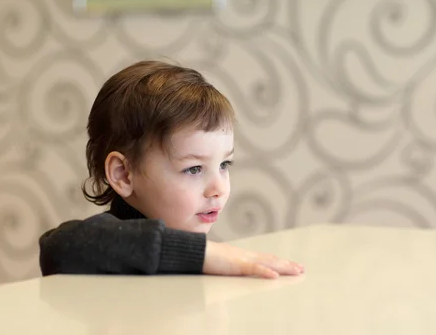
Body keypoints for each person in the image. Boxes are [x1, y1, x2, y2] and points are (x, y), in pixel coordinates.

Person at [38, 60, 304, 279]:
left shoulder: (184, 236)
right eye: (194, 169)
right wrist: (204, 255)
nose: (218, 188)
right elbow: (58, 247)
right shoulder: (103, 240)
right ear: (123, 174)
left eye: (224, 165)